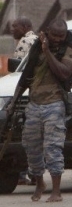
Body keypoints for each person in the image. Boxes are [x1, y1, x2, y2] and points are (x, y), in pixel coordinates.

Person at [7, 18, 72, 202]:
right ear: (47, 31)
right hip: (34, 104)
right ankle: (39, 182)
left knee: (52, 148)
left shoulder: (70, 48)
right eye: (54, 35)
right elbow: (26, 75)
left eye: (61, 36)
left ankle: (56, 191)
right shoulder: (37, 46)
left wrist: (47, 52)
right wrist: (13, 101)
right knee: (31, 147)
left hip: (55, 104)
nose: (57, 39)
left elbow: (63, 72)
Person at [10, 16, 38, 185]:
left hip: (25, 95)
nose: (12, 29)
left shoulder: (25, 42)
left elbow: (18, 72)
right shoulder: (35, 39)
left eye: (15, 26)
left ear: (26, 26)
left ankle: (23, 173)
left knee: (20, 132)